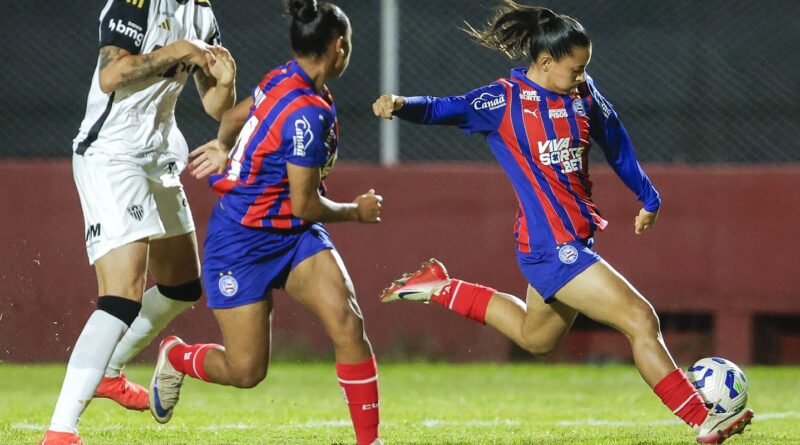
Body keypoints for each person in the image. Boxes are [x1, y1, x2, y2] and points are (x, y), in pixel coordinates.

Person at [372, 2, 753, 444]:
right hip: (551, 245)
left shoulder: (582, 93)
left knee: (535, 339)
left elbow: (614, 137)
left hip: (573, 240)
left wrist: (648, 194)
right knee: (640, 320)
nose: (581, 78)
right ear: (546, 62)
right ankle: (702, 420)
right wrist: (401, 104)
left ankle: (439, 286)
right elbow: (446, 108)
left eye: (585, 69)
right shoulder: (504, 100)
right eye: (575, 70)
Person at [148, 1, 384, 444]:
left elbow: (238, 115)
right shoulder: (308, 113)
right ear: (338, 46)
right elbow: (305, 205)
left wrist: (224, 147)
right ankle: (179, 357)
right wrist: (356, 211)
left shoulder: (285, 76)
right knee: (246, 371)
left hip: (293, 239)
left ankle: (371, 442)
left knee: (347, 323)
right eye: (348, 44)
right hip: (243, 243)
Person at [39, 0, 236, 443]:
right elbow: (112, 74)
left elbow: (215, 106)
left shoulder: (203, 13)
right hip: (112, 156)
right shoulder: (136, 3)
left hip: (160, 155)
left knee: (183, 286)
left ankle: (108, 372)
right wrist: (179, 50)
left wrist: (226, 82)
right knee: (121, 297)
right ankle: (60, 431)